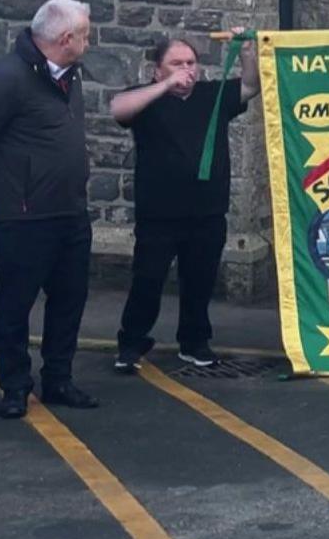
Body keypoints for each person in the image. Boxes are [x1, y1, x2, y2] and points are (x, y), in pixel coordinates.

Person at [0, 0, 99, 419]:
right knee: (16, 303)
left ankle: (58, 378)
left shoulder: (70, 77)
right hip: (23, 217)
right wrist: (2, 192)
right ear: (65, 38)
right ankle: (15, 386)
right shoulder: (7, 78)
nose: (89, 43)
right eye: (86, 35)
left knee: (69, 299)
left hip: (69, 212)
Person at [109, 34, 259, 372]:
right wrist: (164, 87)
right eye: (177, 64)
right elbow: (118, 108)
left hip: (207, 211)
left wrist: (248, 53)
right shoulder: (146, 98)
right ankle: (131, 343)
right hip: (159, 213)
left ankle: (194, 342)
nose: (186, 70)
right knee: (148, 280)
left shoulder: (211, 95)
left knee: (200, 281)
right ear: (157, 70)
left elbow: (250, 86)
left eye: (190, 63)